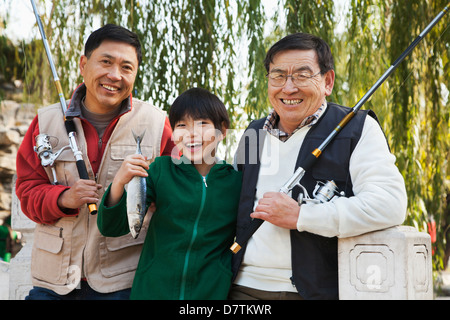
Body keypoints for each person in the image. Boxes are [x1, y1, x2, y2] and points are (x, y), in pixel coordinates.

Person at [230, 33, 407, 300]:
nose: (288, 88)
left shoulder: (357, 128)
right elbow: (227, 200)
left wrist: (302, 217)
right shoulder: (253, 134)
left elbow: (389, 203)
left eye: (302, 75)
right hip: (240, 289)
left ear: (327, 81)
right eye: (278, 76)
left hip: (313, 292)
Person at [15, 24, 176, 300]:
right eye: (105, 62)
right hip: (53, 282)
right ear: (83, 64)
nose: (114, 75)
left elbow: (177, 193)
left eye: (126, 67)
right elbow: (27, 191)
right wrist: (63, 198)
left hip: (122, 282)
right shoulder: (46, 121)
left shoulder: (158, 124)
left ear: (135, 74)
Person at [97, 87, 242, 300]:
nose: (191, 133)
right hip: (152, 292)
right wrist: (119, 182)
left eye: (202, 124)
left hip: (210, 293)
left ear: (223, 130)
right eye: (182, 125)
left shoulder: (236, 182)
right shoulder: (160, 170)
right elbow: (112, 227)